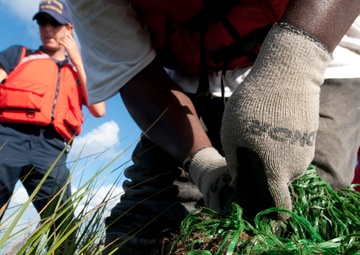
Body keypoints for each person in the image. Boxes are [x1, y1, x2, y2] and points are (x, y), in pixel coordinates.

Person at [66, 0, 360, 254]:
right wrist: (203, 165)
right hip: (190, 81)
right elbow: (134, 73)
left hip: (323, 46)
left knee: (305, 211)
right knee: (142, 227)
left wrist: (295, 65)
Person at [0, 0, 105, 252]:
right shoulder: (20, 55)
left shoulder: (78, 72)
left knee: (62, 221)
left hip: (52, 149)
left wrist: (78, 60)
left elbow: (98, 109)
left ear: (69, 29)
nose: (47, 29)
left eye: (55, 24)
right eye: (43, 22)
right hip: (8, 138)